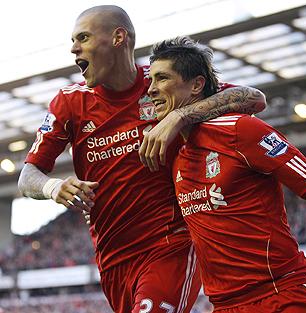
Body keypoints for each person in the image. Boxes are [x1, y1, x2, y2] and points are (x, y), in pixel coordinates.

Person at [17, 5, 266, 313]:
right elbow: (27, 176)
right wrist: (54, 187)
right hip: (111, 257)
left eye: (83, 37)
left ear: (118, 37)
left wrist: (179, 116)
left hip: (170, 245)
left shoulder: (163, 84)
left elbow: (253, 97)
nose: (73, 48)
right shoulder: (70, 102)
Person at [145, 36, 306, 313]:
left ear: (197, 84)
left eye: (162, 78)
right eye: (150, 80)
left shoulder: (240, 130)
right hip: (224, 306)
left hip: (283, 296)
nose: (151, 89)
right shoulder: (175, 153)